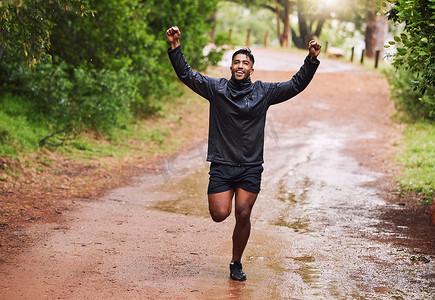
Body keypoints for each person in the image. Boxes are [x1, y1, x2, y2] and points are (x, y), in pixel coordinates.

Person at [166, 26, 321, 281]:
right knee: (219, 214)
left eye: (245, 63)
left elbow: (295, 85)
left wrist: (311, 60)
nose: (240, 66)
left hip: (250, 166)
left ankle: (236, 262)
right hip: (222, 165)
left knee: (243, 213)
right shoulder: (216, 89)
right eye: (236, 62)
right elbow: (187, 75)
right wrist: (175, 46)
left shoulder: (263, 92)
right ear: (230, 68)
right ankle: (233, 246)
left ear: (251, 69)